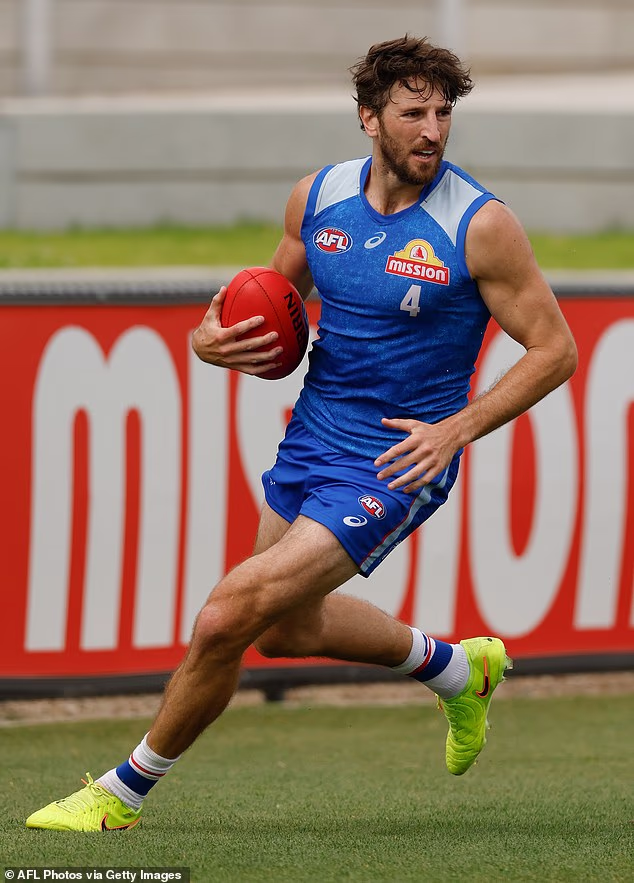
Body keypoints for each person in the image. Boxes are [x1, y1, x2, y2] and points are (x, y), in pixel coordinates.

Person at [26, 35, 577, 832]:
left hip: (398, 456)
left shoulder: (481, 226)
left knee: (226, 614)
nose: (432, 130)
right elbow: (263, 305)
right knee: (285, 630)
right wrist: (205, 341)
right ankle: (460, 669)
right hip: (313, 436)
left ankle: (120, 792)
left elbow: (555, 348)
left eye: (443, 113)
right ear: (368, 119)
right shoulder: (318, 199)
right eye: (412, 112)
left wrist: (456, 430)